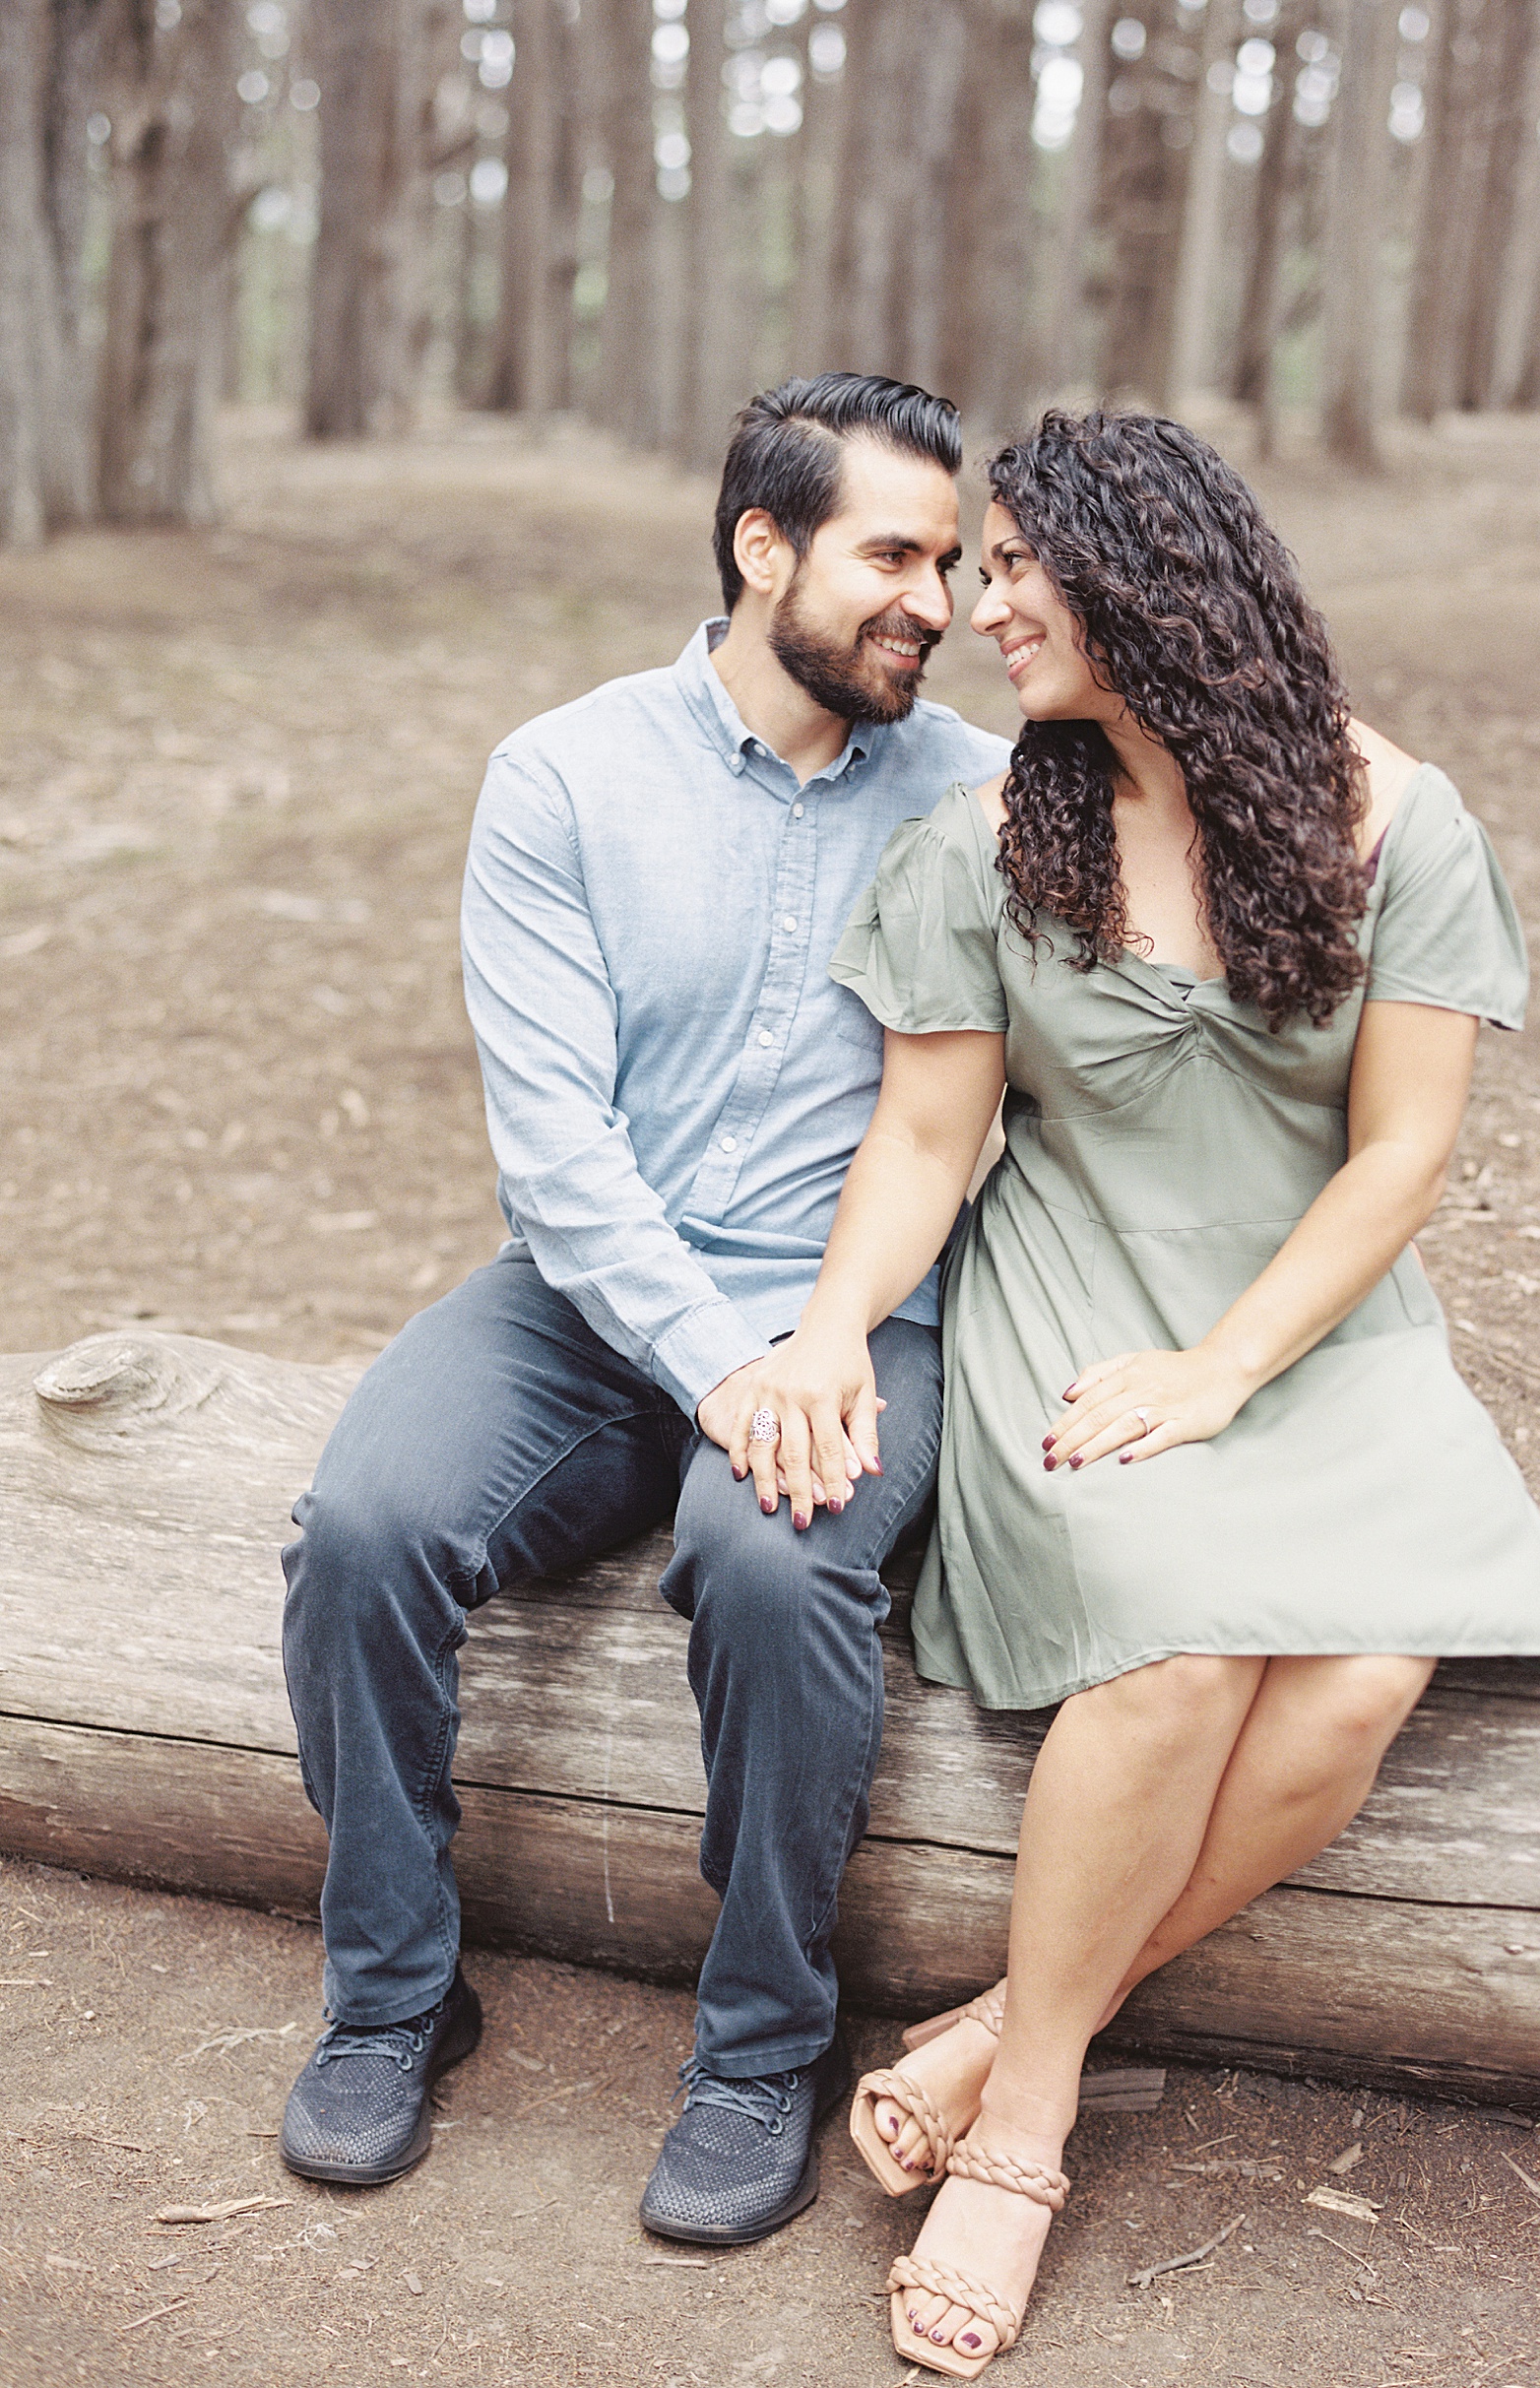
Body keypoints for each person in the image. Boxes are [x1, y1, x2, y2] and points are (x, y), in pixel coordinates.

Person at [727, 409, 1540, 2374]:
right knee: (1186, 1657)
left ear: (1158, 582)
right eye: (981, 570)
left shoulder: (1394, 818)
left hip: (1307, 1317)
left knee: (1367, 1668)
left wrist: (1228, 1369)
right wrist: (839, 1325)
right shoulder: (992, 842)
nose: (984, 607)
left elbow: (1399, 1157)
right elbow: (930, 1144)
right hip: (1078, 1298)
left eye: (1023, 568)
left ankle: (1000, 2034)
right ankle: (1026, 2137)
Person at [275, 372, 1009, 2245]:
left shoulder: (979, 792)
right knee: (364, 1525)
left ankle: (764, 2042)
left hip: (858, 1314)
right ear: (763, 548)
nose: (932, 597)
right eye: (889, 554)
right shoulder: (565, 775)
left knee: (773, 1562)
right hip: (596, 1300)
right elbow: (556, 1151)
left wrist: (807, 1352)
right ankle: (391, 1996)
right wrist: (716, 1362)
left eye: (951, 557)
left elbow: (976, 1112)